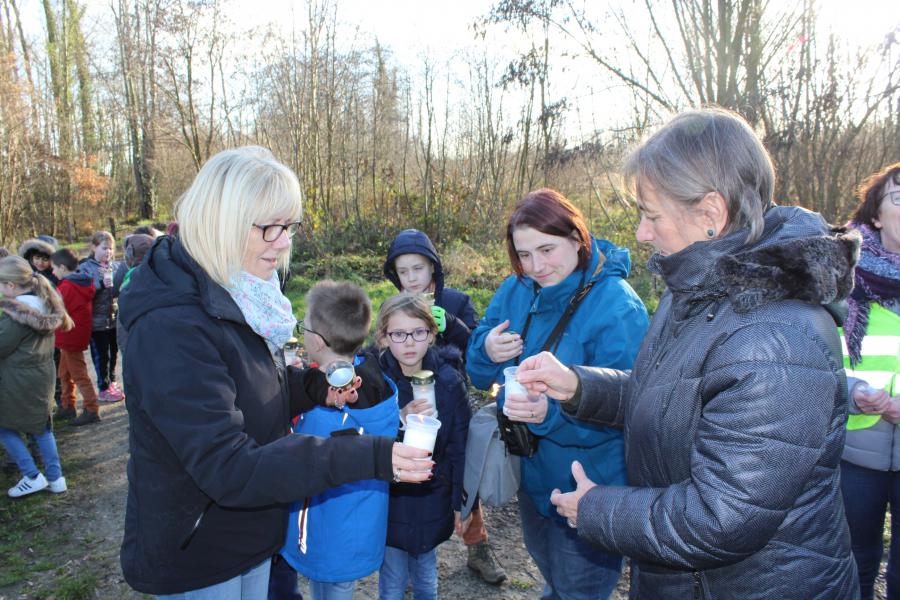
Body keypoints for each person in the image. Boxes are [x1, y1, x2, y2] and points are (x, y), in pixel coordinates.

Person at [516, 107, 861, 599]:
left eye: (651, 215)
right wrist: (579, 386)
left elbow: (722, 518)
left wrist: (596, 509)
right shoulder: (698, 289)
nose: (642, 233)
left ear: (710, 215)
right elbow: (674, 397)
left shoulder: (776, 339)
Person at [117, 145, 432, 598]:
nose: (284, 242)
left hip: (250, 528)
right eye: (270, 228)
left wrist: (312, 388)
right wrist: (369, 456)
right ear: (222, 221)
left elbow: (249, 387)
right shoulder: (173, 323)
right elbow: (226, 464)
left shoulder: (240, 291)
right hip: (200, 549)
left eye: (288, 227)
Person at [466, 188, 649, 599]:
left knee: (579, 589)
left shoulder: (618, 307)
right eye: (524, 254)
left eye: (546, 249)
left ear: (577, 238)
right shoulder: (517, 289)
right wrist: (485, 350)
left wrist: (547, 413)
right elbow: (478, 371)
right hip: (533, 478)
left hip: (588, 487)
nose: (536, 266)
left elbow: (629, 411)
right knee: (554, 579)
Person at [382, 228, 506, 583]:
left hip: (451, 403)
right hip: (412, 405)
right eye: (403, 272)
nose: (411, 279)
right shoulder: (397, 307)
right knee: (410, 476)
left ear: (433, 269)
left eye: (418, 270)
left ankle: (478, 548)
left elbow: (478, 350)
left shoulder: (455, 302)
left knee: (461, 469)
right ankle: (407, 557)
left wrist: (452, 324)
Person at [278, 280, 400, 600]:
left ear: (317, 341)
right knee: (329, 587)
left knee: (333, 589)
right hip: (353, 525)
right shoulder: (374, 383)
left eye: (304, 324)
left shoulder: (330, 404)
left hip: (330, 525)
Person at [376, 293, 471, 600]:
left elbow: (460, 448)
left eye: (418, 332)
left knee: (426, 577)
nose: (409, 342)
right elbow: (360, 440)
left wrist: (462, 503)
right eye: (398, 334)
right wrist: (397, 418)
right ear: (384, 337)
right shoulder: (375, 382)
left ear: (431, 334)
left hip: (433, 496)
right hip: (388, 499)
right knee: (391, 580)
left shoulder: (448, 381)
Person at [839, 162, 900, 600]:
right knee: (854, 561)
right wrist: (854, 391)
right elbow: (816, 358)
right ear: (876, 216)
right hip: (854, 452)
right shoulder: (841, 275)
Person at [0, 256, 72, 497]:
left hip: (18, 380)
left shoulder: (16, 315)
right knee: (42, 428)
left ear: (10, 286)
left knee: (4, 427)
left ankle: (31, 475)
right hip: (41, 376)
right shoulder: (45, 305)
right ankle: (55, 477)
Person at [50, 249, 99, 424]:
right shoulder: (81, 283)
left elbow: (57, 310)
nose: (53, 272)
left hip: (70, 336)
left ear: (62, 267)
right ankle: (67, 405)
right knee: (64, 373)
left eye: (54, 268)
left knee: (79, 374)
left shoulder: (67, 287)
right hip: (71, 336)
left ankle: (91, 409)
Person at [80, 231, 126, 403]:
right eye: (104, 248)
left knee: (113, 353)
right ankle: (103, 387)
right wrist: (100, 285)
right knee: (101, 355)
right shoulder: (86, 268)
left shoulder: (115, 267)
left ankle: (112, 381)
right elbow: (84, 292)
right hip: (97, 322)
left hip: (113, 319)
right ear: (93, 247)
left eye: (111, 248)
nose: (108, 252)